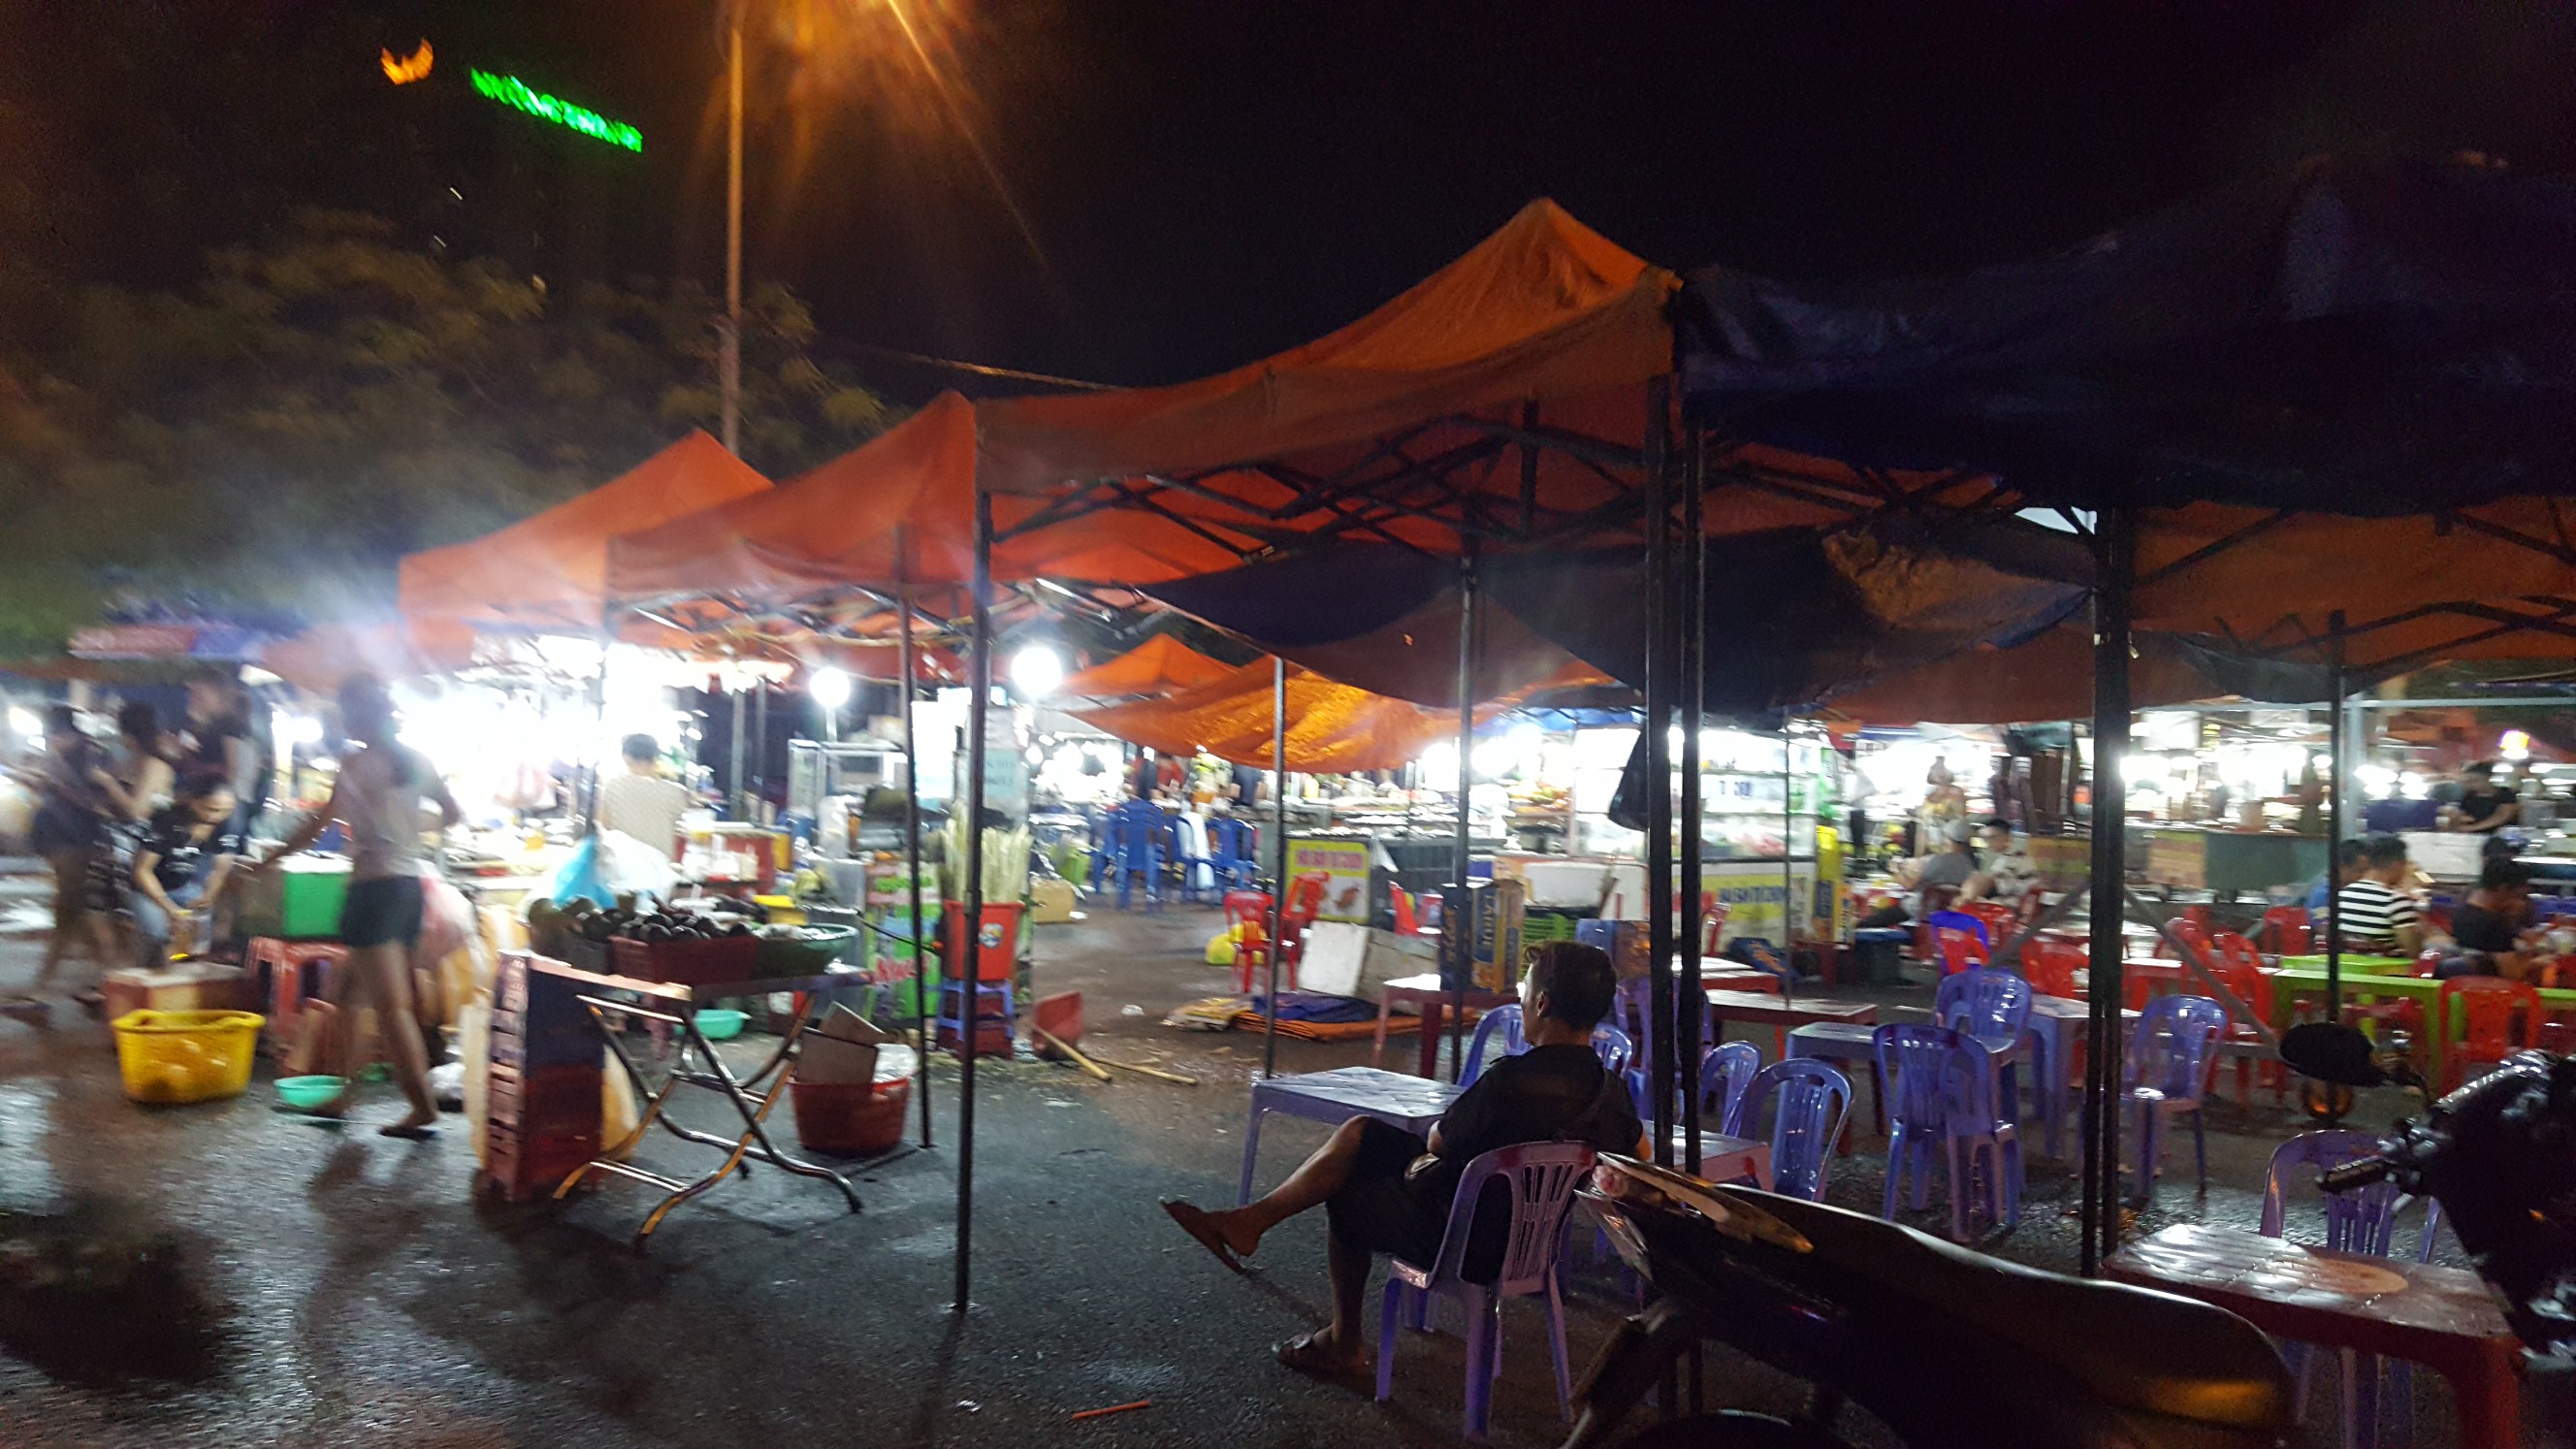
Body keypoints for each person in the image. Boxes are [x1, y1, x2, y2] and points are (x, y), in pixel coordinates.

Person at [1158, 941, 1645, 1380]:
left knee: (1348, 1193)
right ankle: (1250, 1222)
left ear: (1542, 1004)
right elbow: (1636, 1159)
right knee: (1363, 1134)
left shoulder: (1509, 1082)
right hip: (1530, 1247)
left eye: (1526, 991)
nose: (1521, 1002)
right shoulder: (1611, 1094)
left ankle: (1343, 1342)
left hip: (1459, 1240)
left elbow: (1438, 1142)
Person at [249, 675, 461, 1137]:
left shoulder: (355, 764)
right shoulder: (416, 761)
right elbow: (452, 814)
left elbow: (316, 826)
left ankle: (422, 1107)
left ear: (356, 717)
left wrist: (266, 860)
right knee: (347, 995)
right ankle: (344, 1095)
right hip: (407, 888)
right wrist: (406, 831)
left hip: (374, 892)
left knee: (391, 1007)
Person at [6, 706, 138, 1019]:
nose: (51, 742)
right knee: (80, 920)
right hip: (66, 843)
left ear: (67, 734)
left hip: (78, 845)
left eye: (54, 736)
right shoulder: (73, 756)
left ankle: (44, 990)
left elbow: (99, 805)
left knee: (69, 918)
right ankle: (112, 982)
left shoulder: (91, 758)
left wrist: (54, 785)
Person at [131, 782, 245, 968]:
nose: (218, 816)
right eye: (212, 809)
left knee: (195, 939)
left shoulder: (225, 826)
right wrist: (170, 910)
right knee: (158, 936)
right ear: (194, 803)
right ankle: (151, 971)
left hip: (183, 886)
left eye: (227, 811)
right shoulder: (166, 822)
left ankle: (183, 966)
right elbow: (142, 870)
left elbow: (221, 868)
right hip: (148, 890)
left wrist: (207, 896)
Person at [1853, 820, 1980, 929]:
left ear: (1947, 839)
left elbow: (1914, 883)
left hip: (1923, 910)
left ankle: (1859, 927)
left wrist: (1898, 869)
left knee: (1890, 913)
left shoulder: (1941, 860)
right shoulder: (1970, 864)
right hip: (1952, 915)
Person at [596, 733, 692, 855]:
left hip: (621, 862)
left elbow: (603, 826)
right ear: (655, 757)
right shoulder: (676, 793)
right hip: (660, 864)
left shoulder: (613, 787)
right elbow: (685, 831)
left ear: (626, 757)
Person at [2334, 832, 2423, 955]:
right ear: (2397, 864)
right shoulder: (2396, 900)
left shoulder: (2342, 895)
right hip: (2387, 966)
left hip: (2348, 963)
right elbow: (2414, 952)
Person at [1960, 816, 2039, 908]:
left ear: (2006, 837)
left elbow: (2030, 886)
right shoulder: (1999, 858)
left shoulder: (2021, 858)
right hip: (1993, 903)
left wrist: (1995, 884)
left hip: (2009, 907)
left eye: (1992, 837)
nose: (1988, 842)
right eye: (1985, 838)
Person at [2443, 760, 2519, 834]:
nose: (2469, 784)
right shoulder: (2469, 797)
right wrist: (2455, 818)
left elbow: (2502, 816)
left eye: (2474, 781)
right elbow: (2463, 818)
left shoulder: (2505, 794)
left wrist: (2471, 828)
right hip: (2472, 836)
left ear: (2486, 779)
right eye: (2467, 781)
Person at [2305, 837, 2368, 914]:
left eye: (2367, 871)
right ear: (2340, 868)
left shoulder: (2356, 890)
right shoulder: (2323, 895)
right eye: (2360, 871)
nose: (2365, 876)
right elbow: (2324, 922)